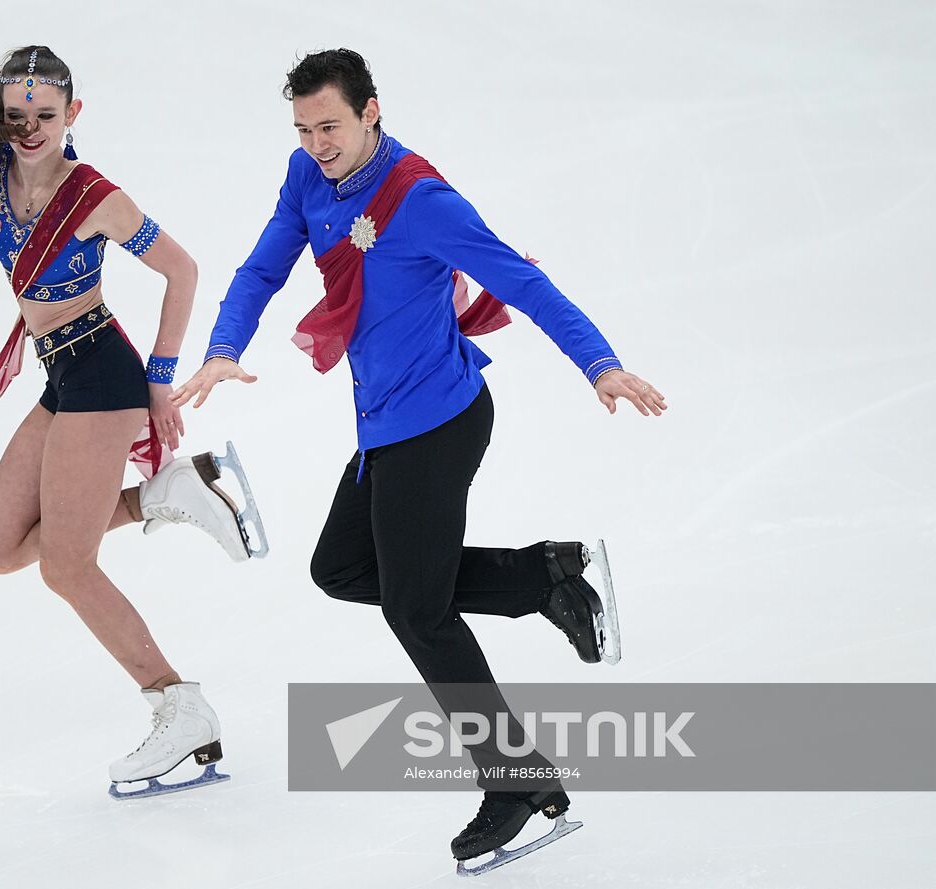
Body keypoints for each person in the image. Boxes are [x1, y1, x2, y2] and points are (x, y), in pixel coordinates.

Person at [172, 49, 667, 866]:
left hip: (437, 424)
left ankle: (517, 782)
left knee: (417, 609)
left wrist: (600, 363)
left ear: (372, 110)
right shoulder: (305, 178)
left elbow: (525, 282)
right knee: (342, 568)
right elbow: (263, 264)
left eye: (330, 125)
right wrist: (225, 345)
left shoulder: (423, 201)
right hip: (384, 427)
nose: (317, 143)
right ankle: (543, 575)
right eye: (303, 129)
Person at [0, 45, 263, 797]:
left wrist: (160, 382)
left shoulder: (95, 196)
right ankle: (164, 495)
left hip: (104, 374)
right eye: (17, 116)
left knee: (65, 566)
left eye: (45, 115)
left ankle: (179, 705)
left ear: (73, 114)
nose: (31, 128)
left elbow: (183, 270)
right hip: (62, 373)